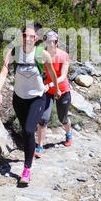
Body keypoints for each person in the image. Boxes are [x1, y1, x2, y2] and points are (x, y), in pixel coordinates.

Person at [0, 22, 61, 185]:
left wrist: (57, 89)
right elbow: (4, 71)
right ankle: (29, 155)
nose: (28, 39)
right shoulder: (14, 52)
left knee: (30, 129)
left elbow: (51, 73)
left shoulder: (42, 54)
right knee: (25, 131)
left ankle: (27, 169)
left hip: (37, 98)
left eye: (31, 36)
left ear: (37, 38)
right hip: (19, 99)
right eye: (25, 35)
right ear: (21, 36)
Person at [35, 30, 72, 158]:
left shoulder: (63, 55)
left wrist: (52, 85)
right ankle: (39, 146)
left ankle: (68, 133)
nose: (51, 44)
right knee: (44, 119)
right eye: (48, 42)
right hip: (47, 90)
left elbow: (63, 76)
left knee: (63, 118)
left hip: (62, 90)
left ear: (57, 42)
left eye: (53, 42)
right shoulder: (42, 55)